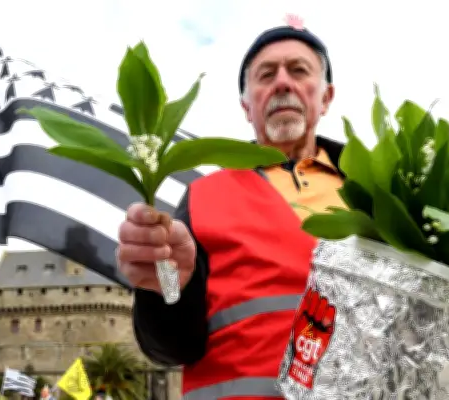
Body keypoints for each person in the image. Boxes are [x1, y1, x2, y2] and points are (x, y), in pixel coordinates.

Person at [117, 19, 344, 400]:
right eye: (266, 75)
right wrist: (167, 284)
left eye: (298, 70)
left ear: (326, 97)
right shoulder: (202, 196)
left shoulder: (375, 194)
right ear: (246, 106)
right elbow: (172, 345)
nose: (282, 83)